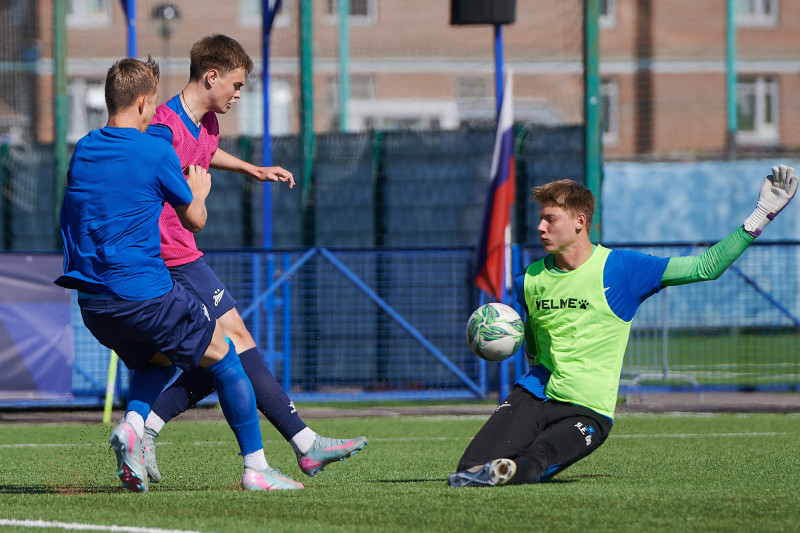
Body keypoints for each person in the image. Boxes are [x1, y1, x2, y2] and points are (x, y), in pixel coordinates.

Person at [448, 166, 798, 487]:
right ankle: (498, 470)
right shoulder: (529, 280)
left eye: (550, 219)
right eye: (540, 219)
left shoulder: (622, 269)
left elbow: (706, 266)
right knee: (468, 470)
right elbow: (535, 345)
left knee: (537, 459)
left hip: (588, 408)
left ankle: (510, 473)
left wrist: (761, 214)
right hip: (534, 394)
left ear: (580, 221)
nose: (540, 227)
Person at [56, 56, 303, 492]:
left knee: (160, 358)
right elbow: (194, 220)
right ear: (143, 102)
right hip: (145, 294)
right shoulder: (155, 150)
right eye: (152, 107)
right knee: (225, 356)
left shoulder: (85, 148)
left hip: (93, 305)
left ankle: (133, 426)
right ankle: (257, 470)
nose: (155, 115)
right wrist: (200, 190)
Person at [142, 34, 366, 485]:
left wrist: (252, 169)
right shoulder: (163, 127)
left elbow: (205, 153)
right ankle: (298, 447)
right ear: (212, 76)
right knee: (235, 343)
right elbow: (169, 190)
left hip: (184, 252)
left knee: (223, 356)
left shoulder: (204, 124)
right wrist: (194, 202)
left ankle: (144, 429)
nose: (239, 94)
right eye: (237, 85)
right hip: (168, 256)